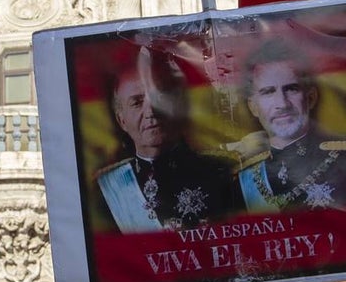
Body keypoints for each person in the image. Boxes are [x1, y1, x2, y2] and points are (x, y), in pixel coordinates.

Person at [91, 49, 239, 233]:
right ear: (122, 121)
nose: (151, 111)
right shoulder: (107, 190)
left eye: (159, 97)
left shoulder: (220, 172)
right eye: (137, 102)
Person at [235, 38, 346, 213]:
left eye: (291, 89)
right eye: (268, 92)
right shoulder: (245, 179)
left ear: (311, 98)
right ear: (253, 107)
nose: (282, 104)